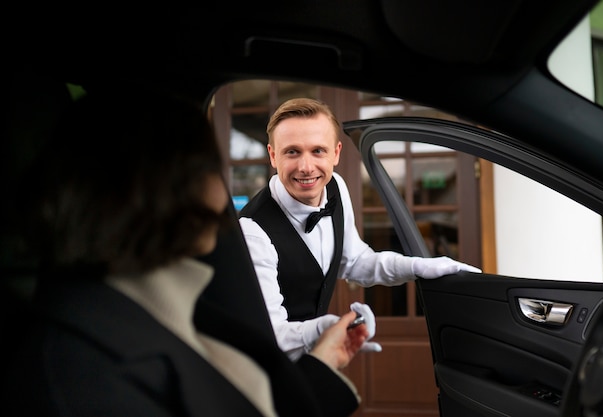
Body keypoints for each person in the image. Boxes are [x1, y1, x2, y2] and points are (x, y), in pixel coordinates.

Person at [1, 87, 368, 417]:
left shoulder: (165, 308)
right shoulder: (87, 375)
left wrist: (322, 361)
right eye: (213, 166)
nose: (223, 189)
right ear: (174, 190)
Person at [239, 97, 482, 360]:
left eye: (318, 150)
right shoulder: (252, 231)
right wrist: (327, 327)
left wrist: (417, 267)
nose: (306, 167)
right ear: (273, 156)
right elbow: (272, 334)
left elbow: (354, 261)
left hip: (315, 359)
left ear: (336, 153)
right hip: (262, 368)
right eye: (292, 152)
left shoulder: (336, 188)